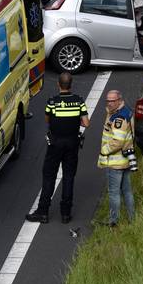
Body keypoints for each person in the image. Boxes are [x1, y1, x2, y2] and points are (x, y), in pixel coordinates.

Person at [26, 72, 90, 224]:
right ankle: (65, 214)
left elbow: (48, 119)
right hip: (72, 143)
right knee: (68, 177)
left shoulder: (52, 102)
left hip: (55, 144)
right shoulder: (79, 101)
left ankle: (43, 212)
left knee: (49, 176)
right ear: (71, 84)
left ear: (58, 84)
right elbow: (86, 123)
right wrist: (75, 121)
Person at [98, 90, 136, 226]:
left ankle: (113, 221)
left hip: (115, 162)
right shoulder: (126, 111)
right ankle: (132, 219)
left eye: (112, 101)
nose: (109, 103)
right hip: (125, 160)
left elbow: (117, 141)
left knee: (114, 193)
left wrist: (104, 151)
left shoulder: (119, 118)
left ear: (119, 100)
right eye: (107, 100)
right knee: (127, 191)